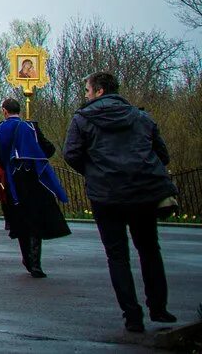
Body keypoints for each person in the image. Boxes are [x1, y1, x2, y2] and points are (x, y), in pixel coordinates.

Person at [63, 71, 179, 333]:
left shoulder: (83, 119)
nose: (86, 95)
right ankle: (159, 308)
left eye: (88, 90)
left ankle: (132, 315)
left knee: (117, 255)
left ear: (100, 91)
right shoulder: (140, 117)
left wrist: (95, 171)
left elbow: (71, 153)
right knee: (149, 249)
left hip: (106, 194)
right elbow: (162, 154)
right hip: (143, 191)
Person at [0, 97, 70, 278]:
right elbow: (48, 149)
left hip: (12, 179)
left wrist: (7, 164)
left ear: (4, 111)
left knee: (20, 219)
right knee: (35, 218)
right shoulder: (31, 127)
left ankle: (27, 258)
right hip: (33, 179)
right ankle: (35, 262)